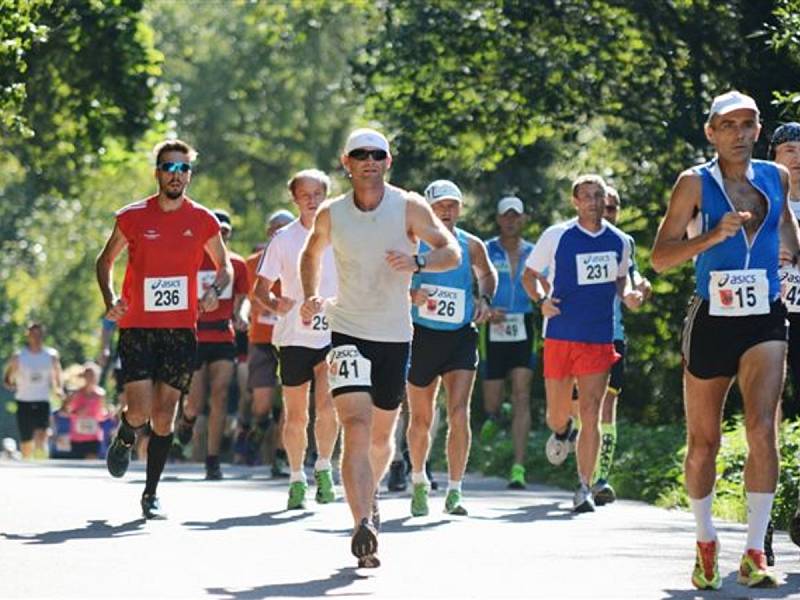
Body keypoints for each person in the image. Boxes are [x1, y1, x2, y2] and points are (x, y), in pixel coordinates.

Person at [651, 91, 799, 589]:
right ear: (711, 132)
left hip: (764, 316)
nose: (740, 133)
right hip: (711, 317)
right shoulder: (694, 182)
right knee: (703, 442)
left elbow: (786, 229)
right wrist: (712, 238)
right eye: (729, 125)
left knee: (762, 428)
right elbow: (660, 257)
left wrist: (792, 257)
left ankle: (755, 550)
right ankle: (705, 540)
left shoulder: (774, 177)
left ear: (759, 130)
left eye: (749, 124)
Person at [299, 128, 460, 568]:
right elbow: (311, 255)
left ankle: (370, 502)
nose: (369, 160)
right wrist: (312, 294)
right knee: (355, 424)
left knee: (381, 437)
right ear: (345, 162)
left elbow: (451, 251)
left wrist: (419, 261)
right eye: (360, 154)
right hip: (347, 329)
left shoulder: (408, 206)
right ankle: (361, 523)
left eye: (378, 154)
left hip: (394, 335)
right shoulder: (332, 214)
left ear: (388, 161)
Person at [96, 139, 232, 519]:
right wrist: (110, 299)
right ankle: (126, 433)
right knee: (139, 412)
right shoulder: (132, 217)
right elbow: (105, 261)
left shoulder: (203, 219)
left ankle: (150, 493)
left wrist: (213, 293)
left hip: (180, 330)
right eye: (169, 168)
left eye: (183, 169)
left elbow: (226, 268)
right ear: (157, 172)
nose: (176, 175)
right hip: (138, 326)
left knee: (164, 414)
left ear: (189, 174)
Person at [523, 174, 641, 513]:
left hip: (599, 336)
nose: (593, 201)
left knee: (592, 411)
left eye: (598, 195)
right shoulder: (556, 236)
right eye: (586, 196)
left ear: (606, 200)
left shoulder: (619, 240)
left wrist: (631, 296)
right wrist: (541, 300)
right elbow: (529, 276)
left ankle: (584, 486)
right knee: (557, 415)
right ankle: (562, 431)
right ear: (575, 202)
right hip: (560, 334)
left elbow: (622, 280)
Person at [406, 179, 497, 517]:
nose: (446, 210)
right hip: (421, 335)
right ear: (428, 208)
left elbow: (487, 274)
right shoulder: (413, 243)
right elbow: (389, 280)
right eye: (440, 204)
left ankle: (455, 491)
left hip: (460, 335)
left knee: (459, 412)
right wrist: (409, 295)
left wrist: (485, 298)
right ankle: (418, 482)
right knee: (421, 417)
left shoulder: (470, 245)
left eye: (452, 204)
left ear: (460, 208)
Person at [255, 169, 339, 510]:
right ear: (294, 199)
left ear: (326, 195)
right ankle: (295, 477)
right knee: (295, 414)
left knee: (328, 405)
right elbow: (259, 289)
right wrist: (277, 304)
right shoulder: (284, 239)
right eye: (304, 194)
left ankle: (323, 468)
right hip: (293, 335)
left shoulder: (340, 233)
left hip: (333, 330)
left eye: (317, 193)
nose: (311, 199)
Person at [176, 209, 249, 480]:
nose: (222, 236)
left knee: (219, 395)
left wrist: (241, 316)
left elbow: (243, 300)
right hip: (195, 336)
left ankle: (213, 459)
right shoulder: (191, 261)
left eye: (226, 232)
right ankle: (187, 420)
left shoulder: (236, 265)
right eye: (217, 231)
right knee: (194, 402)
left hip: (223, 336)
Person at [592, 186, 652, 505]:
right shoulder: (571, 237)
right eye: (603, 206)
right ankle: (573, 448)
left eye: (613, 208)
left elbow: (633, 276)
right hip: (577, 334)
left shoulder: (624, 242)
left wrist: (642, 288)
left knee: (606, 405)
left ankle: (599, 478)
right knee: (578, 409)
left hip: (612, 334)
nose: (607, 213)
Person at [478, 196, 537, 489]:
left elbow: (546, 284)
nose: (511, 221)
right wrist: (485, 309)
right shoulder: (486, 250)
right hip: (493, 327)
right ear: (499, 219)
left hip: (523, 325)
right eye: (506, 216)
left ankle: (518, 466)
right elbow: (472, 284)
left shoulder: (534, 252)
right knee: (492, 400)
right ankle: (495, 413)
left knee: (522, 393)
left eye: (516, 216)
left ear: (523, 219)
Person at [243, 210, 293, 473]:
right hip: (262, 338)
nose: (280, 232)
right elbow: (244, 299)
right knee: (261, 403)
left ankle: (281, 456)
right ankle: (258, 427)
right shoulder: (252, 263)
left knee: (289, 400)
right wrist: (241, 316)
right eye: (275, 228)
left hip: (291, 338)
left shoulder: (301, 259)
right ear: (267, 232)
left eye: (285, 227)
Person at [3, 322, 64, 459]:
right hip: (24, 400)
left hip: (42, 399)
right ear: (28, 336)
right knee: (26, 439)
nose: (36, 337)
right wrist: (10, 382)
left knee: (41, 434)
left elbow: (57, 373)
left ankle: (40, 462)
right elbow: (8, 378)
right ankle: (27, 465)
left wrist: (58, 389)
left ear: (43, 336)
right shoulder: (19, 356)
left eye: (39, 334)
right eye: (33, 334)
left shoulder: (51, 355)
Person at [68, 362, 109, 459]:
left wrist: (106, 415)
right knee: (77, 466)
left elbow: (102, 414)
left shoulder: (100, 395)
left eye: (92, 375)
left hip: (93, 436)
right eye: (87, 375)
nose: (90, 378)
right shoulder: (76, 393)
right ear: (83, 376)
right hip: (77, 436)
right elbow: (67, 412)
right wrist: (78, 413)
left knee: (90, 466)